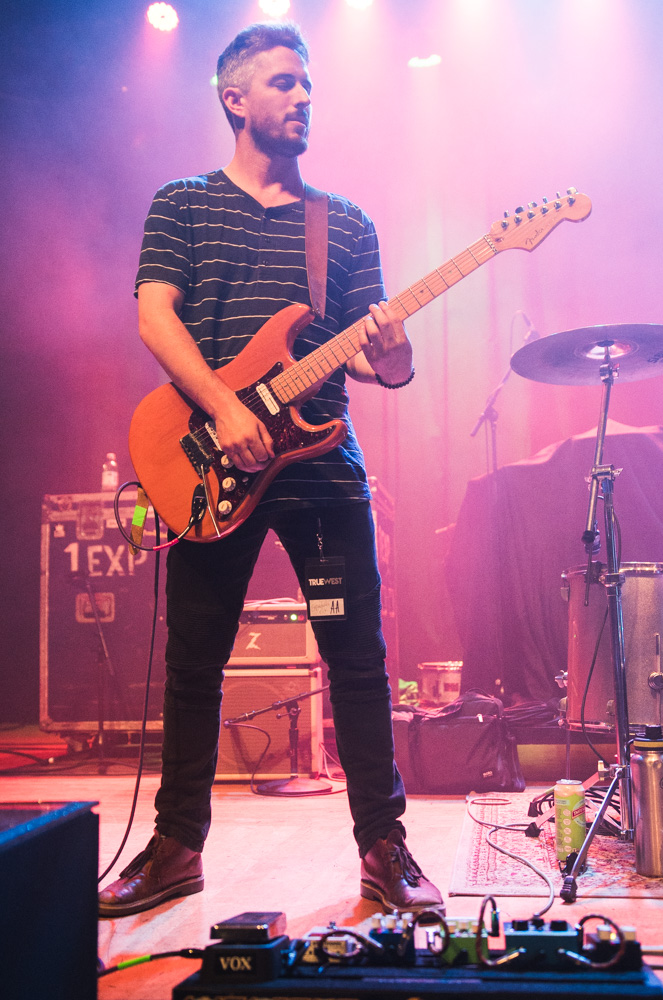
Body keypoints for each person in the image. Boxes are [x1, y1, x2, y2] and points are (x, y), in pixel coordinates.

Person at [99, 21, 442, 918]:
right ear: (234, 97)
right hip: (210, 459)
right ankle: (176, 847)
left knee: (356, 657)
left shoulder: (347, 223)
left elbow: (376, 363)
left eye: (309, 86)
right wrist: (222, 410)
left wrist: (397, 355)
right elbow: (154, 318)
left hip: (321, 459)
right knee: (194, 659)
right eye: (284, 83)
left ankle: (384, 848)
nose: (302, 99)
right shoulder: (182, 204)